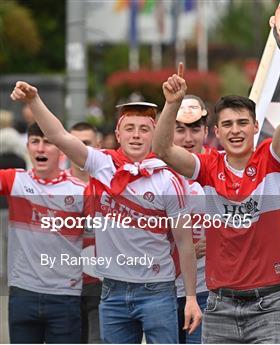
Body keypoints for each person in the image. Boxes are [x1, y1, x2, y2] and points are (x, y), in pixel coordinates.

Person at [10, 83, 202, 344]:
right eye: (129, 129)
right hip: (112, 290)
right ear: (118, 134)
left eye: (144, 129)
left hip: (157, 291)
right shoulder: (102, 164)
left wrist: (190, 298)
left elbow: (184, 242)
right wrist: (34, 100)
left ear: (155, 134)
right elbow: (58, 135)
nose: (136, 135)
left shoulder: (168, 180)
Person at [153, 55, 280, 343]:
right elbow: (163, 149)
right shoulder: (208, 166)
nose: (236, 130)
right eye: (227, 124)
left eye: (243, 123)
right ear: (217, 132)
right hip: (219, 305)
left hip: (270, 304)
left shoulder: (272, 158)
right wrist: (171, 103)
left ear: (255, 127)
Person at [0, 122, 86, 343]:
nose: (40, 149)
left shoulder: (81, 191)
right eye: (35, 142)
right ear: (27, 147)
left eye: (48, 142)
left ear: (60, 148)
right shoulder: (14, 180)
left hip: (65, 297)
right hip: (23, 294)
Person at [173, 94, 212, 343]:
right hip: (160, 292)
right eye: (179, 130)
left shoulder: (221, 168)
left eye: (195, 129)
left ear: (206, 131)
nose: (188, 138)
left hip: (206, 292)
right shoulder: (152, 171)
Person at [69, 122, 102, 343]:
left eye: (87, 144)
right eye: (75, 144)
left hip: (102, 283)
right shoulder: (54, 186)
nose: (80, 149)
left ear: (98, 146)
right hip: (64, 284)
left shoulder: (111, 185)